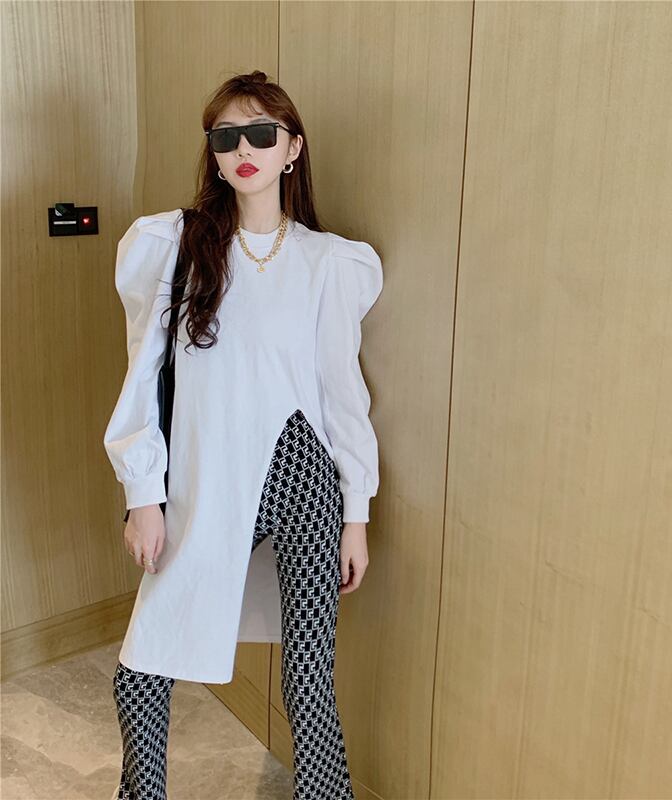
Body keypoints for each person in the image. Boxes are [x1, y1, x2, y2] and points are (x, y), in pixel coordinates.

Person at [103, 70, 383, 800]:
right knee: (144, 664)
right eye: (227, 136)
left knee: (308, 676)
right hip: (212, 476)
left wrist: (356, 517)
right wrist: (143, 495)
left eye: (262, 133)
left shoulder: (329, 262)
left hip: (306, 478)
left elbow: (343, 395)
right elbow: (142, 378)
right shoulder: (173, 245)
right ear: (215, 153)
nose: (244, 149)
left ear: (293, 149)